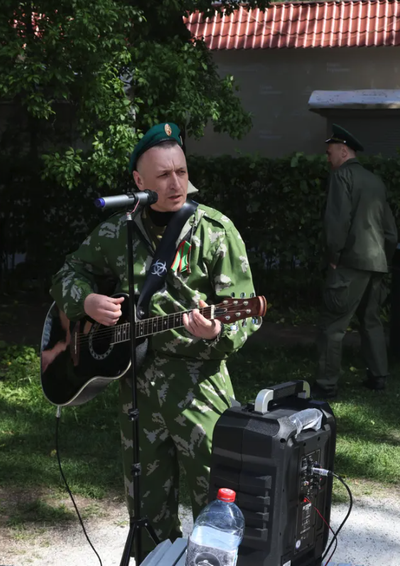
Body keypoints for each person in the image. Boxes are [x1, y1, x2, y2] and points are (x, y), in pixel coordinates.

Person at [49, 122, 259, 549]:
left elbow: (246, 312)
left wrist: (217, 330)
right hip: (137, 390)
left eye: (181, 171)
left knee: (215, 502)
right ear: (139, 181)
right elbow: (68, 272)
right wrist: (86, 302)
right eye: (163, 175)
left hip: (200, 387)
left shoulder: (214, 231)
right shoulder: (118, 231)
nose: (176, 183)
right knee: (146, 511)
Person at [314, 124, 398, 398]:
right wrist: (383, 259)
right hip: (376, 262)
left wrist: (334, 256)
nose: (328, 158)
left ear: (343, 150)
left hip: (351, 262)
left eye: (330, 153)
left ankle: (326, 384)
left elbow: (337, 221)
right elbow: (390, 231)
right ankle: (379, 377)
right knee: (371, 321)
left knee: (332, 324)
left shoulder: (341, 177)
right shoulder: (375, 181)